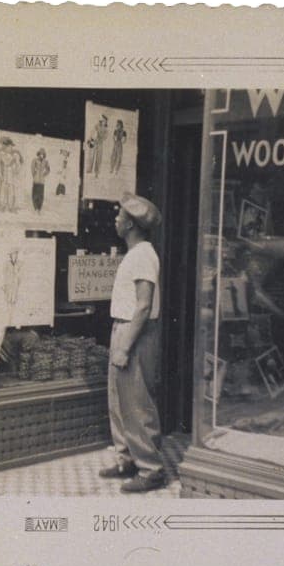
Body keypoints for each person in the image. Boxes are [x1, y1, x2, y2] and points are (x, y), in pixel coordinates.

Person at [100, 193, 167, 492]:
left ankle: (151, 469)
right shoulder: (135, 254)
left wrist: (125, 347)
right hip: (124, 329)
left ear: (130, 225)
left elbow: (143, 305)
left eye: (119, 217)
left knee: (137, 402)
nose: (116, 220)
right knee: (118, 399)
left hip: (135, 332)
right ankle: (126, 457)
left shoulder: (143, 255)